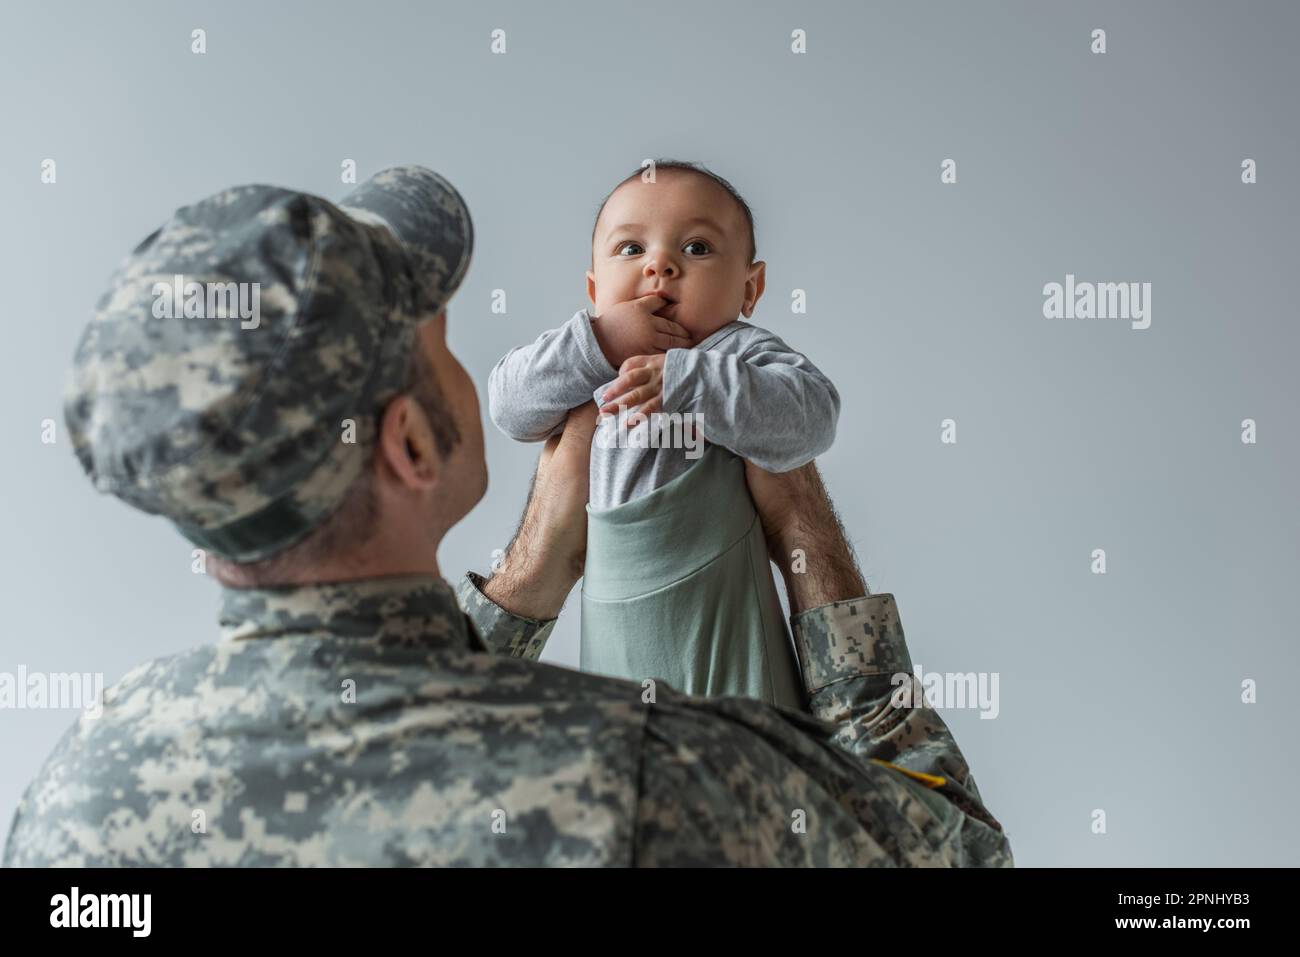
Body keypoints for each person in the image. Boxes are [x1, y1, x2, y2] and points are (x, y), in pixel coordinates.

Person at [3, 167, 1013, 866]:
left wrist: (524, 590)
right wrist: (801, 526)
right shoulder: (650, 777)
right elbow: (951, 852)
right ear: (407, 446)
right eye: (439, 342)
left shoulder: (88, 784)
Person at [488, 161, 840, 707]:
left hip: (725, 632)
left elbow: (814, 416)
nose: (661, 266)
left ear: (751, 288)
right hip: (615, 630)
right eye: (630, 250)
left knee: (748, 755)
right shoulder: (589, 362)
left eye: (697, 248)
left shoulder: (734, 354)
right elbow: (510, 408)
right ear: (594, 289)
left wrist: (689, 377)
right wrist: (599, 343)